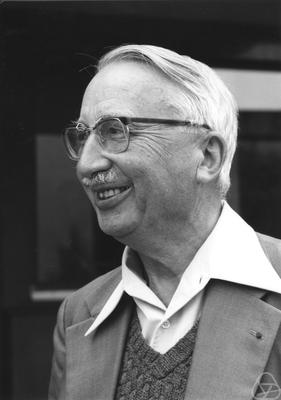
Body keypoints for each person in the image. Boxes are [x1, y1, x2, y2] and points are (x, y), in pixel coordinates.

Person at [49, 44, 281, 400]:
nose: (86, 164)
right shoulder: (78, 314)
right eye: (84, 136)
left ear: (207, 156)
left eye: (115, 130)